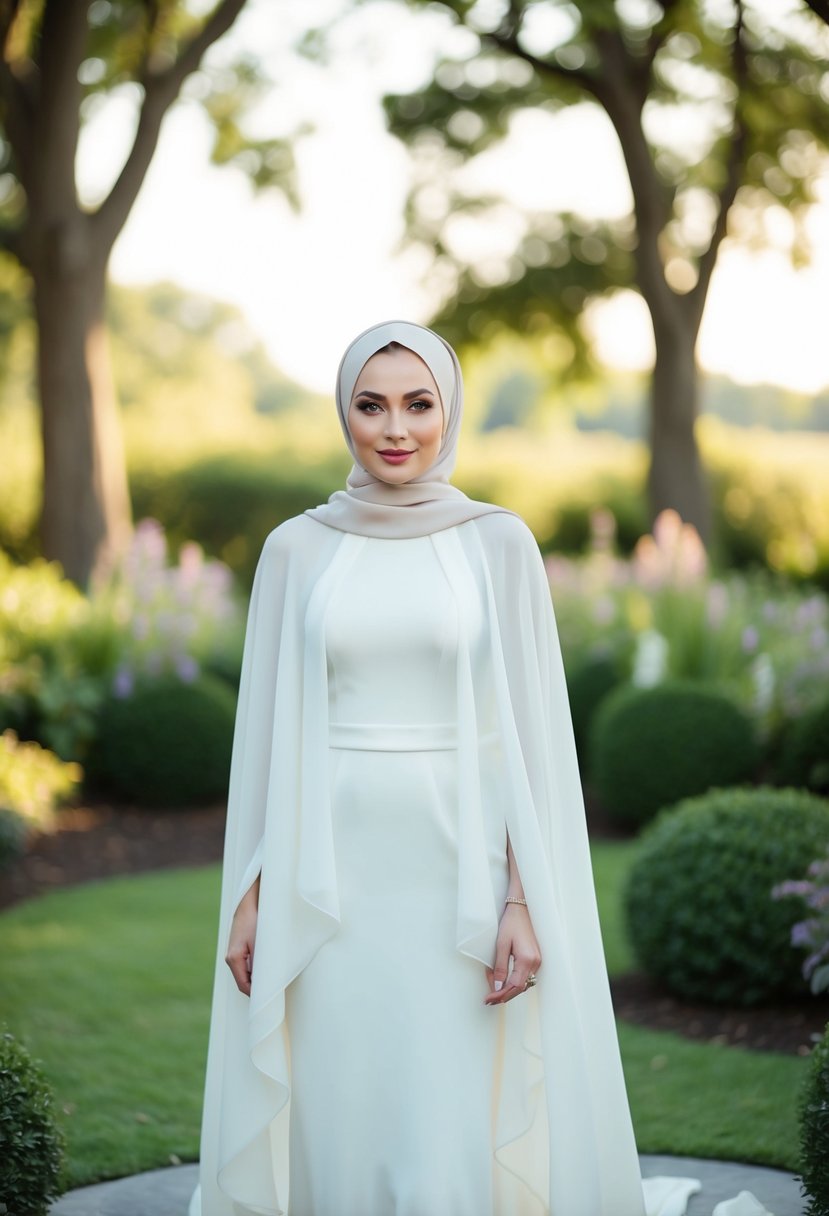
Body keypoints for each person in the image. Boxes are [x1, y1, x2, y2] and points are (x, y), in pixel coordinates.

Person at [188, 321, 747, 1216]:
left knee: (449, 1086)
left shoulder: (497, 543)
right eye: (371, 406)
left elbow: (529, 742)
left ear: (449, 413)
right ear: (343, 414)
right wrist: (252, 886)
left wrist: (522, 902)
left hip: (461, 864)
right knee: (343, 1075)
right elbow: (265, 738)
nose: (395, 428)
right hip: (327, 871)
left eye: (418, 404)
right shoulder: (297, 548)